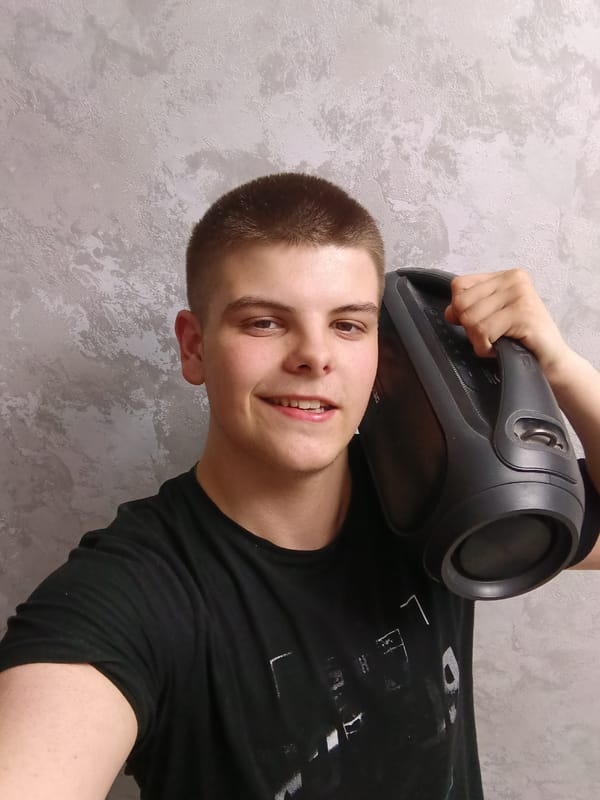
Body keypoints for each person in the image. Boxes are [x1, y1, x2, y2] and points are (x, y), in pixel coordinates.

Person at [0, 172, 598, 800]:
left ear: (379, 351)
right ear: (195, 346)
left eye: (348, 325)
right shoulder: (133, 593)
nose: (315, 356)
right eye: (264, 322)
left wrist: (558, 365)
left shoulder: (436, 487)